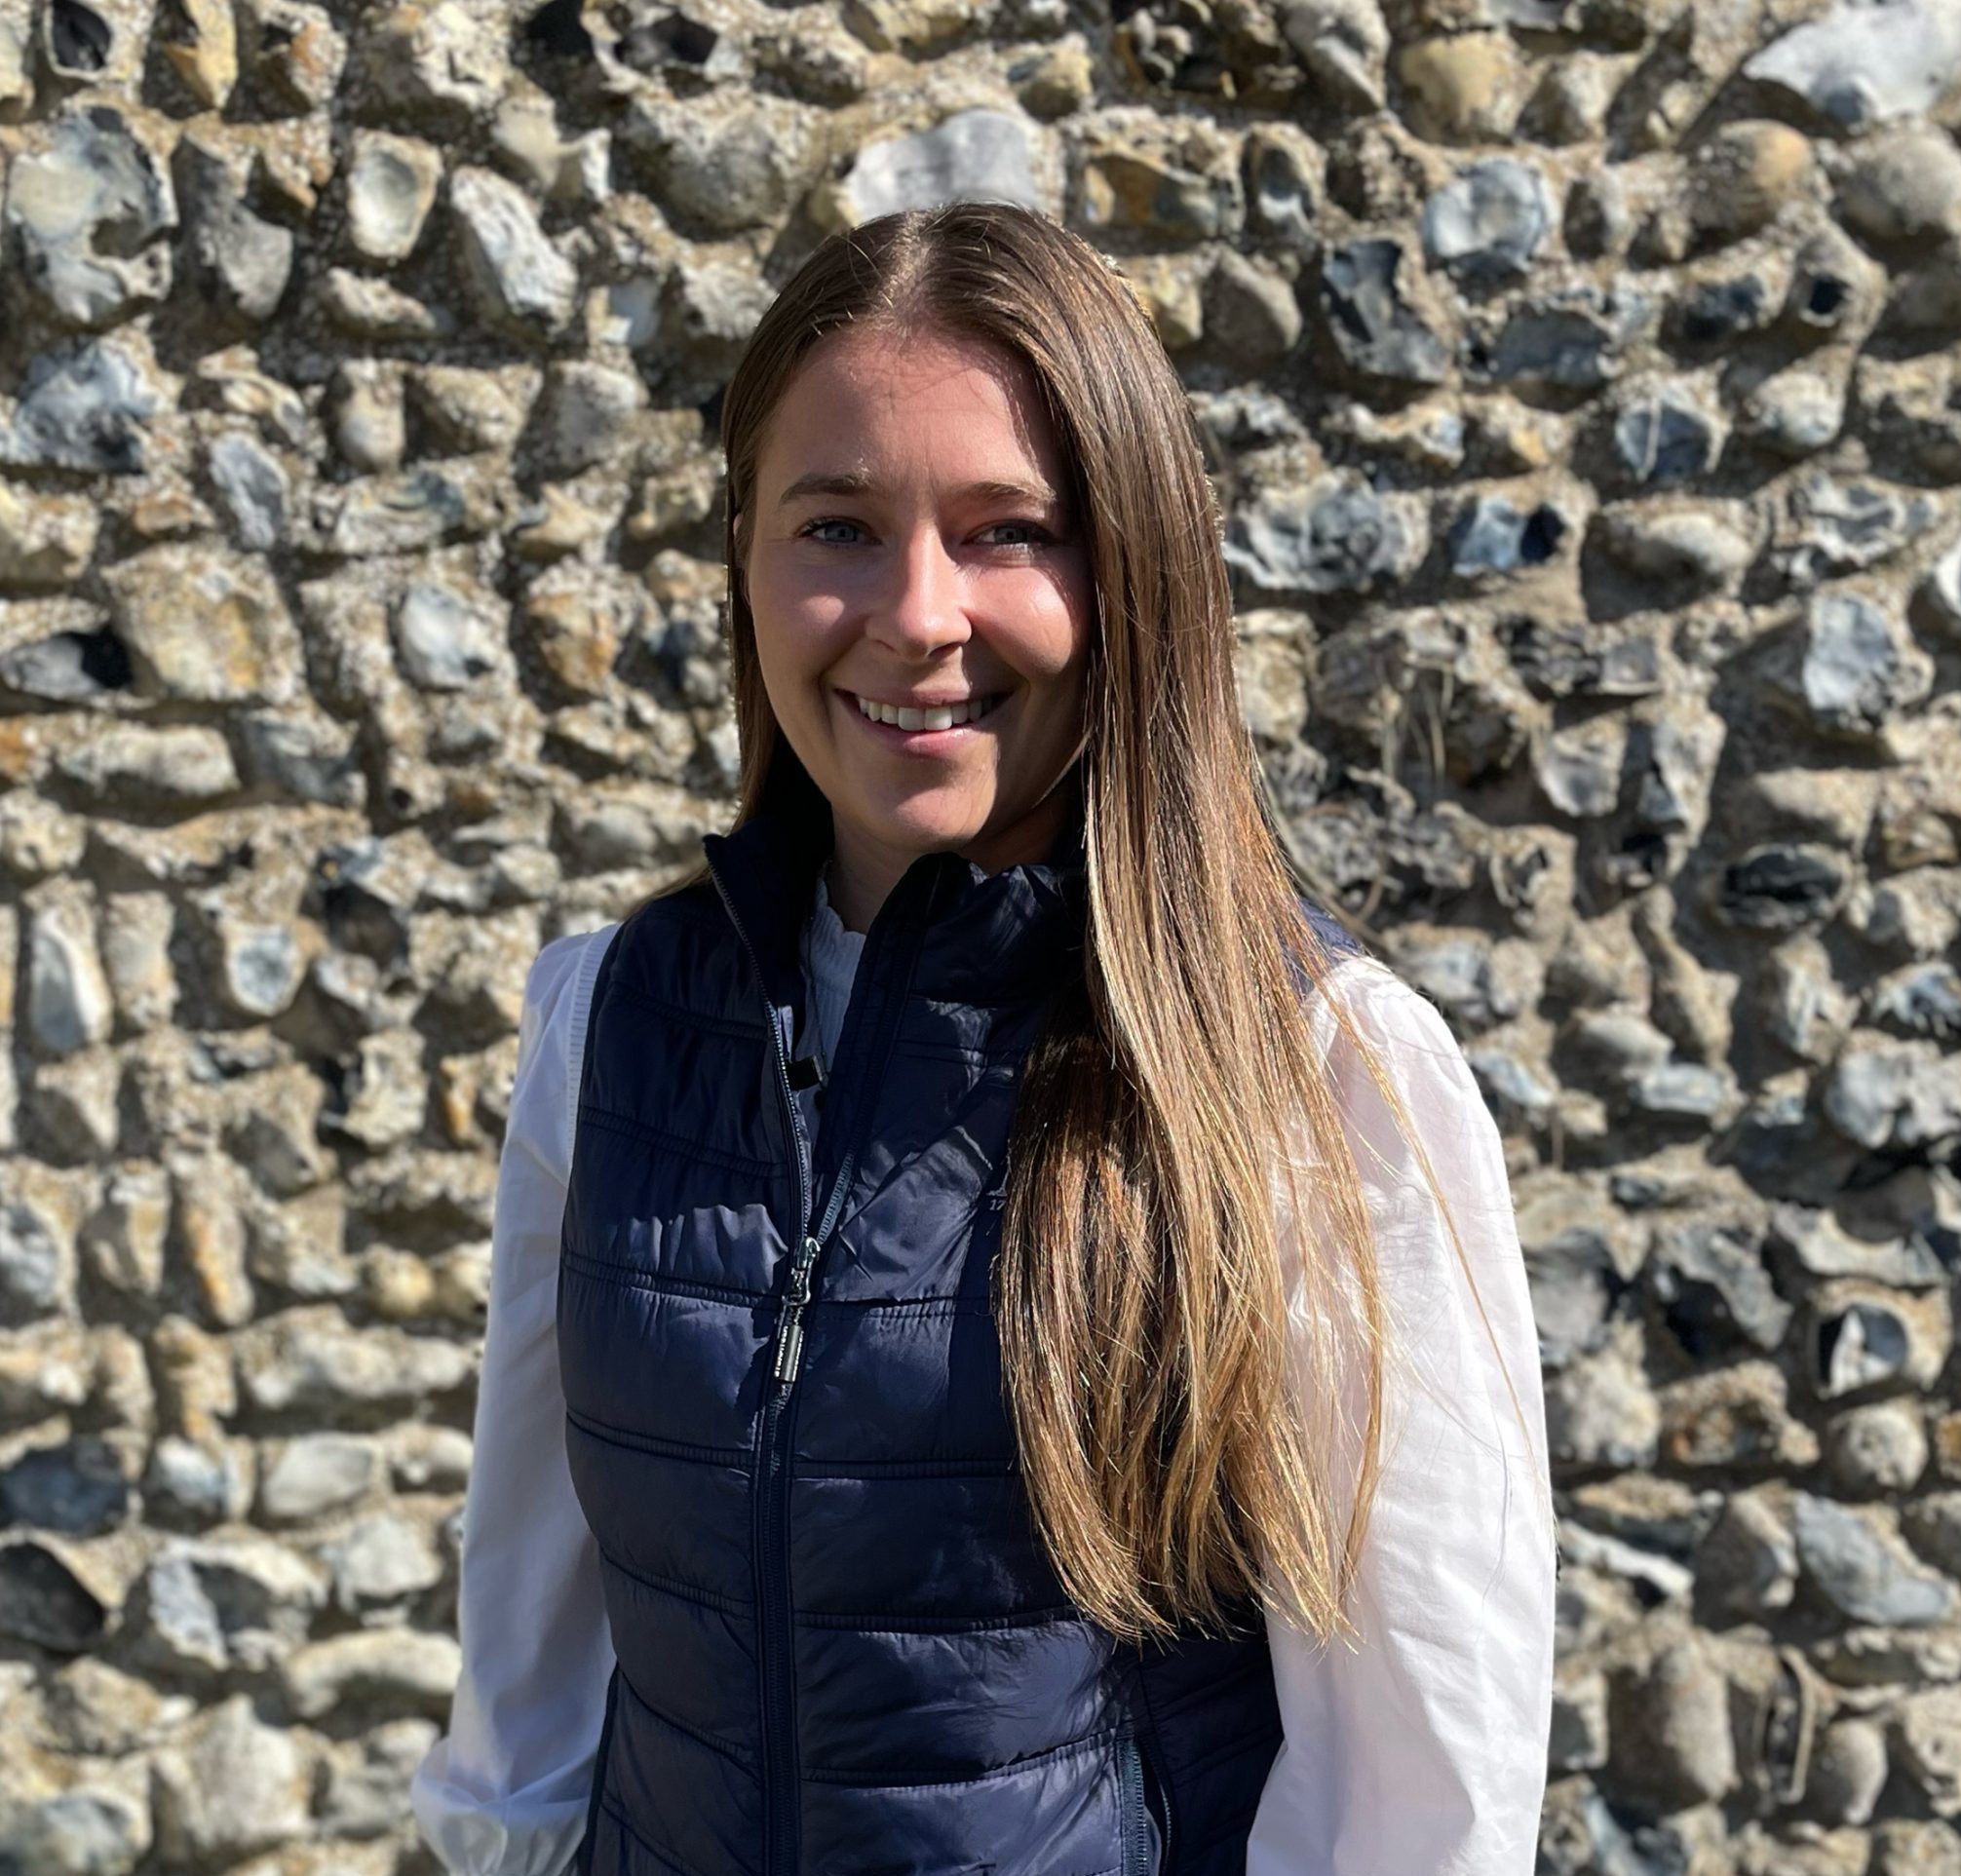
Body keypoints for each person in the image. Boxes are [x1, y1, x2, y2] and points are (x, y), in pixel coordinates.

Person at [409, 201, 1557, 1876]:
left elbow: (1420, 1805)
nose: (919, 613)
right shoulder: (610, 1018)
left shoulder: (1308, 1071)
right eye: (838, 525)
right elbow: (531, 1673)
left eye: (1007, 531)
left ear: (1130, 569)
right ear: (744, 558)